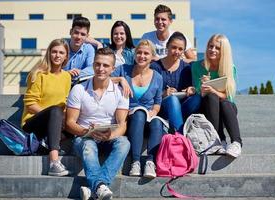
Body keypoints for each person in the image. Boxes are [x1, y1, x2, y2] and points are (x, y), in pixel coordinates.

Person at [66, 47, 130, 200]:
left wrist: (110, 136)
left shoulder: (120, 92)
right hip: (83, 136)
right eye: (97, 64)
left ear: (113, 69)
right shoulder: (79, 89)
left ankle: (95, 187)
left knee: (124, 143)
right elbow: (69, 123)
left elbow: (122, 124)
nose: (101, 68)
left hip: (108, 136)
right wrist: (87, 131)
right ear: (93, 64)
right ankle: (101, 186)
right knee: (88, 145)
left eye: (106, 65)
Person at [112, 40, 164, 178]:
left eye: (146, 53)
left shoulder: (158, 77)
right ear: (135, 55)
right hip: (128, 117)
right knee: (139, 113)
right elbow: (103, 79)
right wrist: (121, 80)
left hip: (148, 117)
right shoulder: (124, 69)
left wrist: (154, 112)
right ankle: (135, 161)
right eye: (139, 53)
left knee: (157, 122)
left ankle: (150, 162)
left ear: (152, 56)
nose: (142, 56)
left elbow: (158, 102)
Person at [21, 39, 71, 176]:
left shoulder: (67, 77)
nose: (57, 55)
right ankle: (54, 163)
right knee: (56, 110)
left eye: (61, 52)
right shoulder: (38, 74)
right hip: (33, 123)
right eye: (54, 51)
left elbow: (65, 102)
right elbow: (30, 104)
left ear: (66, 56)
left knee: (75, 119)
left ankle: (47, 142)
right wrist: (54, 117)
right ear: (49, 53)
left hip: (54, 123)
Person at [191, 34, 242, 158]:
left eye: (217, 48)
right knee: (210, 97)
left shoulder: (230, 68)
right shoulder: (197, 66)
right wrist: (201, 86)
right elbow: (198, 93)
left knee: (224, 102)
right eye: (210, 46)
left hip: (226, 110)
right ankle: (218, 140)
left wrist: (214, 90)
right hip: (205, 108)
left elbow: (229, 96)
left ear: (223, 51)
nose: (212, 50)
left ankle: (236, 143)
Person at [151, 31, 201, 133]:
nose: (177, 51)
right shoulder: (155, 67)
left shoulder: (186, 68)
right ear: (167, 46)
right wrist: (163, 94)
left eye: (180, 49)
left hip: (182, 108)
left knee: (197, 98)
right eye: (174, 47)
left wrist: (191, 89)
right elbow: (150, 94)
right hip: (162, 108)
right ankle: (180, 136)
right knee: (172, 100)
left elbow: (191, 89)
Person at [64, 16, 97, 83]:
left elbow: (92, 69)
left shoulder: (89, 49)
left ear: (87, 36)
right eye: (76, 33)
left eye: (83, 34)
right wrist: (66, 74)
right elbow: (51, 69)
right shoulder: (62, 47)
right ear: (70, 32)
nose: (79, 37)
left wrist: (79, 72)